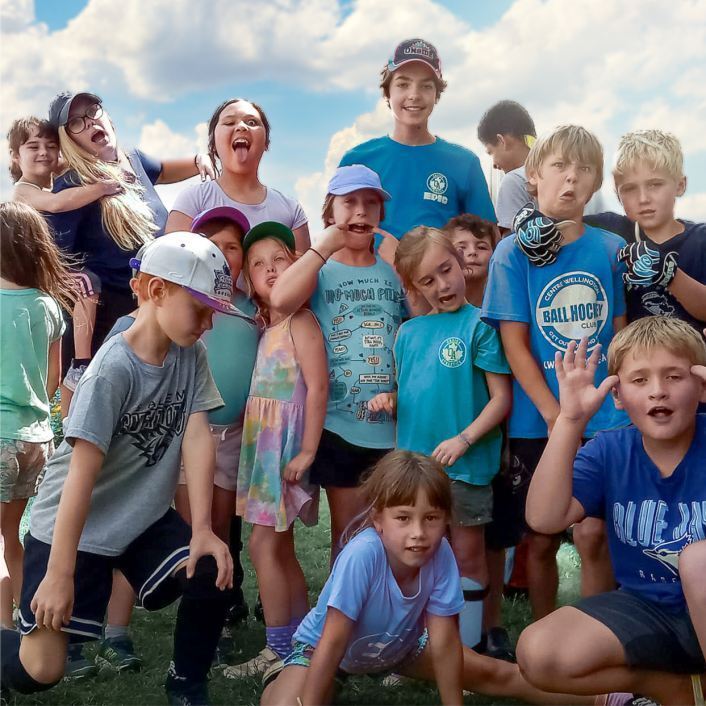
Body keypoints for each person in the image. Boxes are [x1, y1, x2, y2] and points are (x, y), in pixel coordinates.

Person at [0, 232, 249, 706]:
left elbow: (197, 436)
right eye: (201, 309)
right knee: (42, 669)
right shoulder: (112, 370)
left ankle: (187, 687)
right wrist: (59, 573)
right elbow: (80, 477)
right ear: (157, 291)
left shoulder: (190, 353)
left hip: (143, 518)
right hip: (73, 529)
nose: (209, 325)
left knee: (211, 570)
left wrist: (202, 528)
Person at [261, 450, 598, 706]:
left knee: (497, 674)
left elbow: (446, 642)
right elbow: (332, 642)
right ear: (378, 519)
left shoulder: (440, 554)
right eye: (403, 518)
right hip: (323, 651)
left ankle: (609, 698)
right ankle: (280, 675)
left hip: (402, 646)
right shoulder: (363, 555)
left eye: (431, 518)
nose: (419, 533)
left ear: (446, 519)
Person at [517, 317, 706, 704]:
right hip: (647, 608)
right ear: (617, 396)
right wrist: (570, 420)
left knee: (698, 561)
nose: (658, 392)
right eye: (639, 380)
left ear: (701, 384)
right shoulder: (609, 450)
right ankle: (677, 690)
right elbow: (544, 518)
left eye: (674, 377)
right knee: (538, 652)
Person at [481, 125, 628, 620]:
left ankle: (598, 644)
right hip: (536, 417)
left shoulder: (610, 249)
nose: (571, 179)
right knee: (539, 538)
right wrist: (551, 412)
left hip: (606, 415)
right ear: (534, 176)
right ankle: (546, 642)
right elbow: (514, 343)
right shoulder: (511, 252)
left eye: (583, 170)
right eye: (559, 167)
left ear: (594, 183)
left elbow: (621, 334)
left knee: (592, 532)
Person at [369, 226, 511, 651]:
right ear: (414, 287)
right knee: (417, 556)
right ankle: (416, 646)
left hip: (465, 468)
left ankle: (465, 652)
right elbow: (416, 387)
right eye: (427, 281)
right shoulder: (408, 334)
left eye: (446, 270)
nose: (442, 285)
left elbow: (501, 399)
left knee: (468, 558)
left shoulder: (480, 325)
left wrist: (464, 439)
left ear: (459, 262)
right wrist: (391, 399)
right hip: (415, 473)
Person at [268, 165, 406, 565]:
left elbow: (422, 313)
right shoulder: (321, 268)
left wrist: (402, 267)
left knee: (394, 534)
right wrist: (321, 248)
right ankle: (344, 619)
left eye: (371, 204)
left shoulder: (392, 266)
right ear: (330, 212)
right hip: (340, 424)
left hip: (395, 425)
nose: (360, 212)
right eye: (350, 203)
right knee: (350, 535)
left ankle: (391, 619)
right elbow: (280, 301)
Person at [45, 91, 213, 409]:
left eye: (93, 110)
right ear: (67, 140)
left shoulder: (133, 159)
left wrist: (197, 161)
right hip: (108, 332)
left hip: (155, 317)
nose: (90, 121)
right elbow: (57, 260)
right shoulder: (72, 187)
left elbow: (163, 170)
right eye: (76, 122)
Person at [224, 222, 327, 679]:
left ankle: (278, 649)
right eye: (258, 264)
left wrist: (307, 451)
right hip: (263, 450)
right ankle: (304, 642)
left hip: (285, 451)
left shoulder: (301, 321)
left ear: (298, 267)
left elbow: (320, 386)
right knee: (279, 549)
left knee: (263, 545)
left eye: (279, 260)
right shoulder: (267, 327)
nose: (269, 270)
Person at [339, 38, 495, 251]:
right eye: (403, 84)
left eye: (426, 86)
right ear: (387, 92)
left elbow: (487, 240)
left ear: (436, 95)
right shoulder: (356, 160)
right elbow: (337, 235)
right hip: (371, 282)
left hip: (439, 282)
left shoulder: (464, 163)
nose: (414, 95)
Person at [7, 116, 120, 412]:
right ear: (15, 157)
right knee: (86, 283)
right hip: (37, 273)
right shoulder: (23, 190)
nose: (43, 152)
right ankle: (83, 362)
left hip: (51, 271)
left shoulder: (53, 184)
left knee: (58, 366)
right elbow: (58, 204)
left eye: (50, 146)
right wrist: (102, 188)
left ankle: (62, 404)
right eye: (33, 147)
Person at [443, 214, 516, 660]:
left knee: (493, 537)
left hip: (495, 441)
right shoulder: (433, 312)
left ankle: (492, 624)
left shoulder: (503, 303)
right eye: (461, 246)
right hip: (452, 448)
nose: (471, 253)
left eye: (480, 245)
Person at [0, 203, 73, 630]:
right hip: (37, 440)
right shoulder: (48, 306)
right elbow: (52, 381)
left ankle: (5, 636)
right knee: (11, 535)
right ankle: (31, 626)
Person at [584, 129, 706, 330]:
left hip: (692, 359)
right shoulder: (610, 231)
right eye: (630, 189)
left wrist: (668, 274)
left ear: (680, 185)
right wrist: (532, 224)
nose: (643, 199)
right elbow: (564, 225)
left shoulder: (701, 239)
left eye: (655, 184)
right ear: (617, 194)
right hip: (632, 358)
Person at [166, 98, 310, 252]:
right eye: (229, 123)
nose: (241, 127)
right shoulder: (192, 199)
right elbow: (169, 266)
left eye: (252, 123)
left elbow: (304, 273)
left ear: (266, 142)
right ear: (213, 144)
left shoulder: (291, 210)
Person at [477, 100, 538, 234]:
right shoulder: (560, 173)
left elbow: (511, 242)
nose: (494, 164)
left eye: (491, 152)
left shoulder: (514, 180)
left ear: (502, 141)